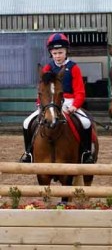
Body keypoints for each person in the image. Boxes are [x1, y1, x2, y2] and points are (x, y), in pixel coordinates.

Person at [20, 33, 94, 164]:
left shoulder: (73, 68)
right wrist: (40, 104)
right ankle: (28, 153)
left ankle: (86, 153)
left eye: (60, 52)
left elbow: (80, 92)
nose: (58, 56)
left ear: (66, 52)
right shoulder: (47, 68)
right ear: (51, 53)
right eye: (55, 53)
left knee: (86, 123)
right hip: (49, 104)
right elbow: (42, 90)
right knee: (27, 123)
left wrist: (75, 106)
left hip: (69, 101)